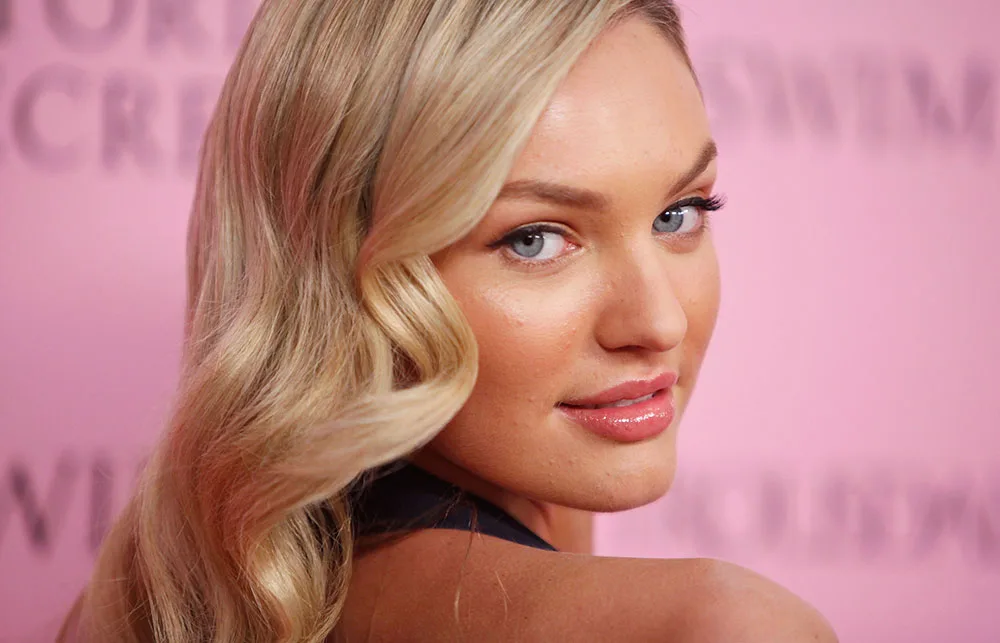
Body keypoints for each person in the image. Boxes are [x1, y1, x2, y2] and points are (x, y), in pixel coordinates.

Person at [61, 0, 839, 641]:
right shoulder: (715, 626)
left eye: (680, 212)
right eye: (534, 239)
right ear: (341, 268)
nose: (657, 320)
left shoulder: (138, 609)